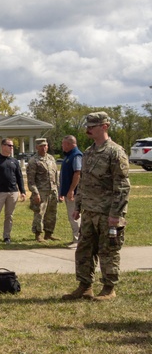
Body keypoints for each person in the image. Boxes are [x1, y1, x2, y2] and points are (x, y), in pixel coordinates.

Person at [61, 112, 130, 302]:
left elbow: (122, 186)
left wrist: (116, 214)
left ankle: (109, 288)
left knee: (108, 251)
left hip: (108, 213)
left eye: (93, 126)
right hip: (89, 212)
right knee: (84, 250)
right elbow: (84, 182)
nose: (88, 129)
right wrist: (78, 206)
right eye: (88, 125)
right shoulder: (89, 152)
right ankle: (85, 286)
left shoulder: (115, 152)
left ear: (105, 126)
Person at [26, 138, 59, 242]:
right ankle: (38, 234)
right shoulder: (33, 161)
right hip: (41, 191)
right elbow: (31, 180)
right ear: (36, 147)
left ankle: (48, 233)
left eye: (45, 145)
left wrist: (58, 189)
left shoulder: (51, 158)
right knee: (39, 213)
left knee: (52, 213)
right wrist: (35, 193)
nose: (44, 148)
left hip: (52, 190)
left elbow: (56, 175)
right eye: (41, 146)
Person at [59, 135, 83, 245]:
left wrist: (71, 190)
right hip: (68, 191)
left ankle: (78, 240)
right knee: (71, 215)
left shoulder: (76, 156)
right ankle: (76, 238)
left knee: (75, 216)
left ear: (69, 144)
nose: (62, 146)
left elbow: (77, 173)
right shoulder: (69, 156)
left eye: (63, 144)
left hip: (75, 192)